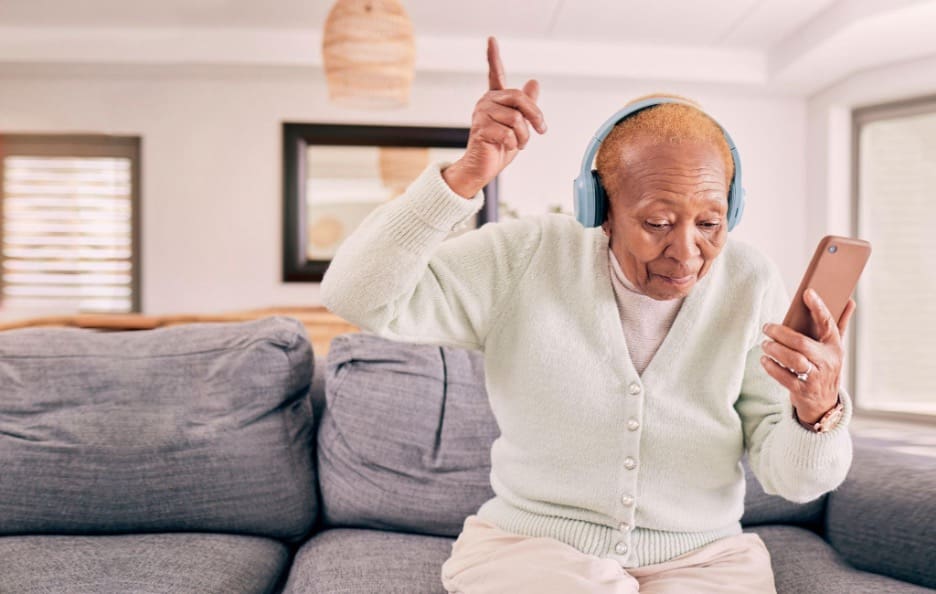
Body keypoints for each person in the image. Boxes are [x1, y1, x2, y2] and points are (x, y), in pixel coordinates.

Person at [320, 36, 855, 594]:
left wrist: (816, 414)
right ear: (599, 207)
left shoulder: (751, 281)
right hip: (530, 550)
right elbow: (356, 294)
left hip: (703, 560)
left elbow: (796, 480)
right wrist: (464, 178)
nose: (687, 253)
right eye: (657, 223)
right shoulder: (524, 257)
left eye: (710, 223)